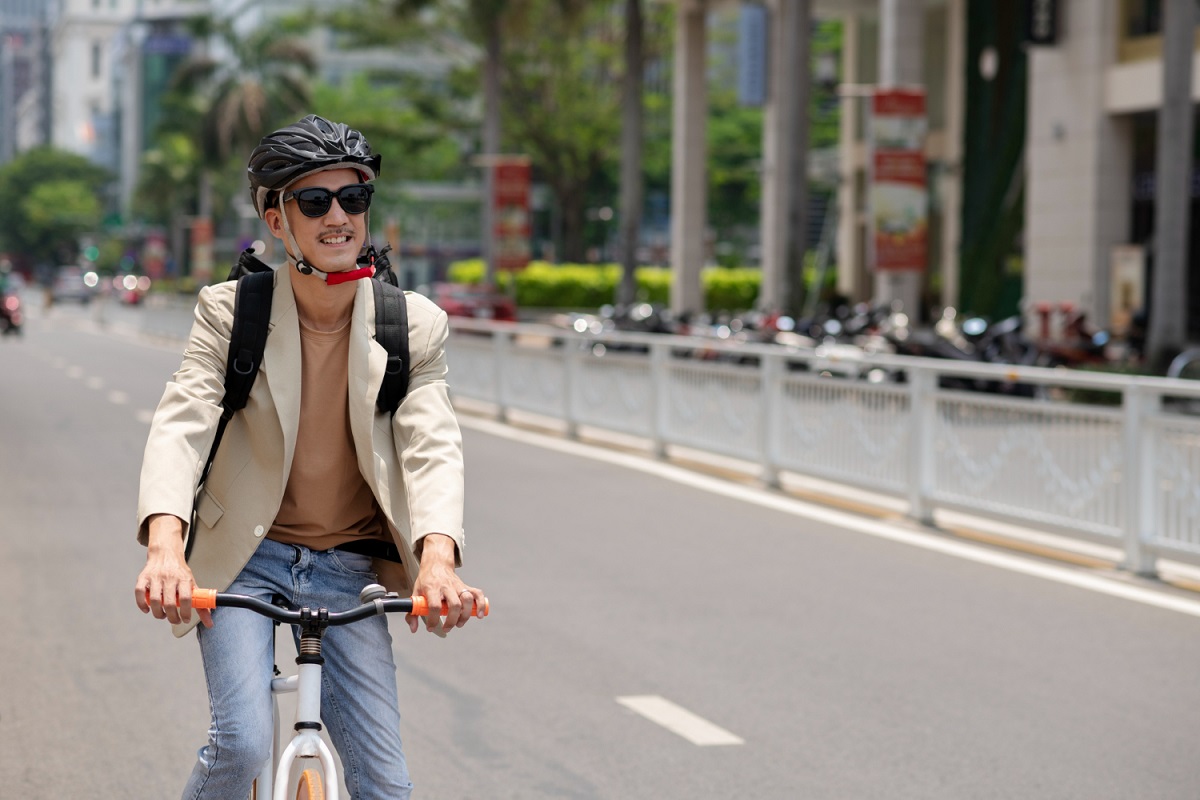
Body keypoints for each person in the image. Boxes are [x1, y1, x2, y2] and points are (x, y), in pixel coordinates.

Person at [134, 114, 482, 799]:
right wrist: (165, 548)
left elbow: (432, 444)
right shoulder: (230, 312)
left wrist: (438, 560)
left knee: (388, 786)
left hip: (350, 566)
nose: (338, 218)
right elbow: (183, 424)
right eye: (314, 201)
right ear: (276, 218)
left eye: (353, 199)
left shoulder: (411, 324)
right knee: (240, 742)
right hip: (244, 562)